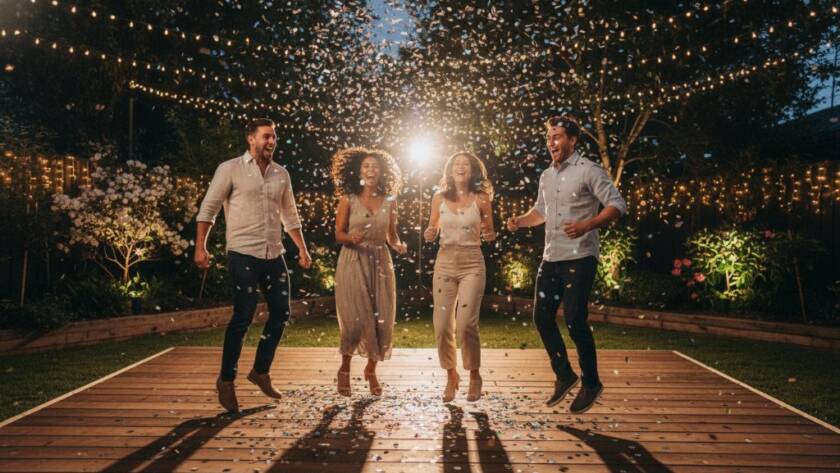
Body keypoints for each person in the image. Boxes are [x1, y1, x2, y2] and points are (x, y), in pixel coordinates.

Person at [506, 116, 627, 414]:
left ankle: (591, 382)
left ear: (573, 140)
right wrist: (520, 222)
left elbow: (617, 205)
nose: (552, 142)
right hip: (551, 258)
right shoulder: (547, 176)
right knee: (541, 317)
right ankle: (564, 374)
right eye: (549, 137)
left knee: (574, 318)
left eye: (558, 136)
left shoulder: (588, 170)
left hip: (581, 256)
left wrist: (588, 225)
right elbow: (541, 212)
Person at [194, 118, 312, 412]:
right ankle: (226, 380)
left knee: (282, 313)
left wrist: (301, 248)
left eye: (274, 137)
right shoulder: (230, 168)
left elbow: (290, 215)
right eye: (266, 137)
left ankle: (260, 371)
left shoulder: (281, 174)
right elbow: (208, 209)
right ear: (251, 139)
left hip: (274, 254)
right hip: (243, 253)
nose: (271, 142)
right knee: (243, 315)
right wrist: (201, 246)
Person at [331, 147, 407, 396]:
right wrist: (350, 237)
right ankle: (344, 369)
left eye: (375, 166)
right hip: (353, 260)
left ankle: (371, 370)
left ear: (382, 172)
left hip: (380, 263)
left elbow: (391, 235)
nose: (371, 170)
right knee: (355, 322)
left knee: (381, 321)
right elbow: (338, 234)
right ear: (358, 171)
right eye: (366, 166)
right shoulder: (348, 198)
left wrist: (398, 246)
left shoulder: (390, 201)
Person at [424, 152, 495, 402]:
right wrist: (430, 233)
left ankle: (474, 375)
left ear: (473, 170)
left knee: (465, 324)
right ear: (450, 170)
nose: (460, 167)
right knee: (442, 325)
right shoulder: (439, 198)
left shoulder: (482, 198)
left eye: (465, 164)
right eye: (456, 164)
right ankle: (451, 375)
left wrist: (489, 234)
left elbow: (489, 231)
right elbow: (432, 228)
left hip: (472, 263)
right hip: (445, 262)